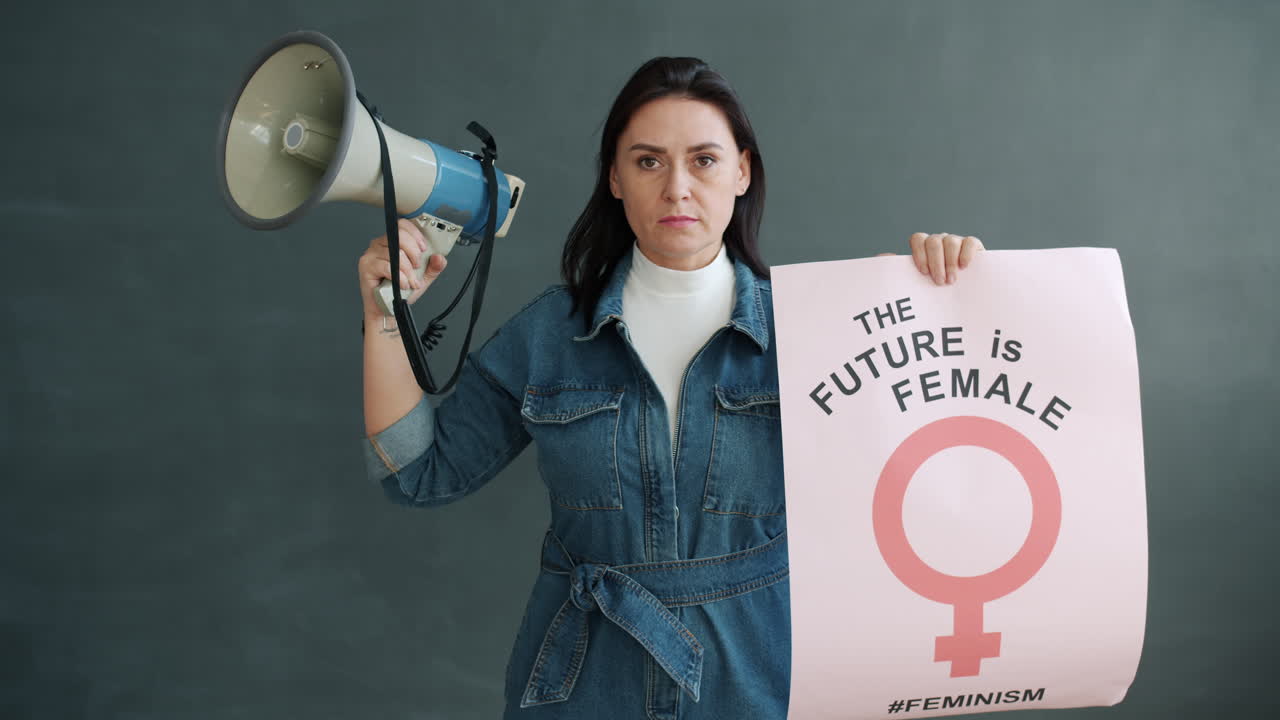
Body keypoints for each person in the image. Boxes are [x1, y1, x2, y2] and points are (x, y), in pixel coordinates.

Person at [357, 57, 985, 719]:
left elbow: (942, 480)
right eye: (649, 161)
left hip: (758, 683)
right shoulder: (549, 333)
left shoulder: (818, 325)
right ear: (616, 178)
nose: (677, 188)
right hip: (583, 686)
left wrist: (938, 300)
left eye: (705, 160)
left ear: (742, 171)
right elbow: (417, 475)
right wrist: (384, 318)